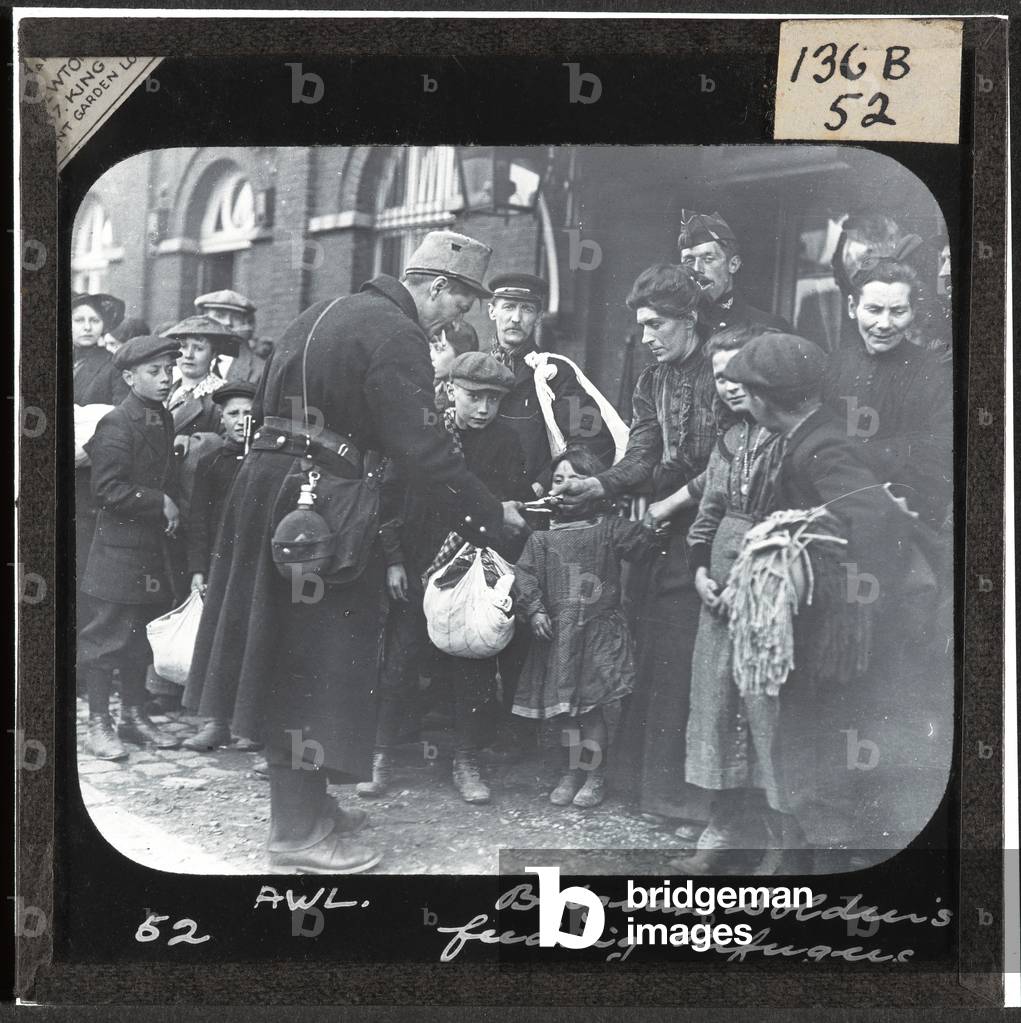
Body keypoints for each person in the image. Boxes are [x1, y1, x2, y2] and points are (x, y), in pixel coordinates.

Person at [187, 230, 527, 873]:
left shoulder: (324, 311)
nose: (456, 321)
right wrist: (491, 512)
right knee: (313, 666)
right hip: (324, 510)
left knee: (289, 657)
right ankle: (295, 832)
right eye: (460, 305)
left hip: (275, 499)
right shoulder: (398, 335)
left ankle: (311, 807)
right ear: (437, 287)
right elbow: (423, 450)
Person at [719, 332, 901, 871]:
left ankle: (827, 873)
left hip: (831, 630)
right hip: (815, 625)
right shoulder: (801, 436)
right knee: (801, 748)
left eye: (746, 390)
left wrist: (844, 607)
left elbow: (875, 521)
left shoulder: (822, 447)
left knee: (818, 754)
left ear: (764, 398)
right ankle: (801, 863)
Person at [557, 264, 722, 838]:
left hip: (719, 519)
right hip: (666, 523)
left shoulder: (723, 366)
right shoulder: (652, 380)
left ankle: (693, 804)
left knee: (692, 657)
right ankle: (652, 789)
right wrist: (597, 485)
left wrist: (666, 506)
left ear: (690, 318)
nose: (647, 336)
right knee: (655, 649)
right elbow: (643, 454)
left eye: (657, 324)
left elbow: (732, 457)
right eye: (642, 325)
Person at [361, 351, 532, 803]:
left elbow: (511, 508)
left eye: (494, 399)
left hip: (473, 566)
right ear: (451, 390)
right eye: (474, 397)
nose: (484, 409)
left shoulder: (506, 443)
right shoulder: (424, 435)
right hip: (419, 565)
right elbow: (388, 499)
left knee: (472, 663)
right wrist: (393, 560)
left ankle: (466, 760)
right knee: (400, 662)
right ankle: (380, 756)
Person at [678, 325, 786, 874]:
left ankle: (778, 837)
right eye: (720, 376)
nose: (730, 385)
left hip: (769, 587)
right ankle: (722, 825)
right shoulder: (730, 440)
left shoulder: (789, 440)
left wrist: (752, 581)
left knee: (765, 708)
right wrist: (700, 573)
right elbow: (707, 517)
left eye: (740, 373)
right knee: (717, 701)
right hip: (718, 591)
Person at [511, 447, 657, 809]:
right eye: (558, 479)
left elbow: (644, 543)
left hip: (596, 636)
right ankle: (571, 773)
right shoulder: (541, 538)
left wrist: (655, 521)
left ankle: (594, 775)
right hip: (558, 637)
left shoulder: (608, 529)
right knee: (565, 712)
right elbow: (524, 575)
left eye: (576, 479)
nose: (566, 487)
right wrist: (536, 610)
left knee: (590, 711)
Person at [78, 336, 185, 760]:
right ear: (128, 377)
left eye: (169, 370)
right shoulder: (117, 423)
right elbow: (107, 490)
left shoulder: (161, 417)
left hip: (151, 550)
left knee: (140, 637)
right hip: (118, 553)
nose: (166, 378)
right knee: (107, 639)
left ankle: (134, 716)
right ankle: (98, 723)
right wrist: (159, 502)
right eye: (154, 371)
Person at [823, 250, 952, 531]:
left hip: (905, 516)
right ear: (852, 307)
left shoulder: (933, 372)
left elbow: (941, 451)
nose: (884, 324)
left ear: (913, 312)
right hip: (834, 512)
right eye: (873, 310)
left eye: (897, 311)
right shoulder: (833, 366)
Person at [180, 382, 261, 753]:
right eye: (233, 414)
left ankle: (249, 724)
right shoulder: (212, 462)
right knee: (218, 641)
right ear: (222, 420)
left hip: (257, 566)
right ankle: (216, 722)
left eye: (248, 412)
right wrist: (198, 568)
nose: (242, 420)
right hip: (221, 564)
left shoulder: (266, 462)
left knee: (253, 640)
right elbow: (198, 519)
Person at [487, 272, 616, 494]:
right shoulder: (474, 368)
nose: (516, 318)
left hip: (533, 501)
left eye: (527, 309)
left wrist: (544, 483)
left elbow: (593, 439)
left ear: (538, 317)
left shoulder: (553, 373)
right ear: (492, 311)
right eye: (508, 307)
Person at [73, 291, 129, 688]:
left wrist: (89, 450)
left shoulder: (111, 367)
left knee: (81, 568)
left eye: (94, 321)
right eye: (79, 320)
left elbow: (118, 421)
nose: (87, 327)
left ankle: (82, 670)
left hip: (86, 478)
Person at [676, 210, 790, 342]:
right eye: (689, 261)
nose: (697, 269)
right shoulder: (674, 326)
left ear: (733, 264)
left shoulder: (766, 327)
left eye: (708, 259)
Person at [162, 315, 241, 446]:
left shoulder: (221, 397)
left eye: (198, 348)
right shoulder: (166, 389)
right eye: (183, 346)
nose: (188, 355)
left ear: (214, 354)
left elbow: (228, 443)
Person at [193, 289, 268, 384]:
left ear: (246, 323)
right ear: (204, 321)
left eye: (236, 317)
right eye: (220, 315)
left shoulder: (261, 371)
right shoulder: (188, 362)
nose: (228, 322)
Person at [429, 319, 479, 411]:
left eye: (438, 349)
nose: (430, 356)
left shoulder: (466, 398)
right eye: (430, 348)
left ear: (460, 354)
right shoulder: (435, 389)